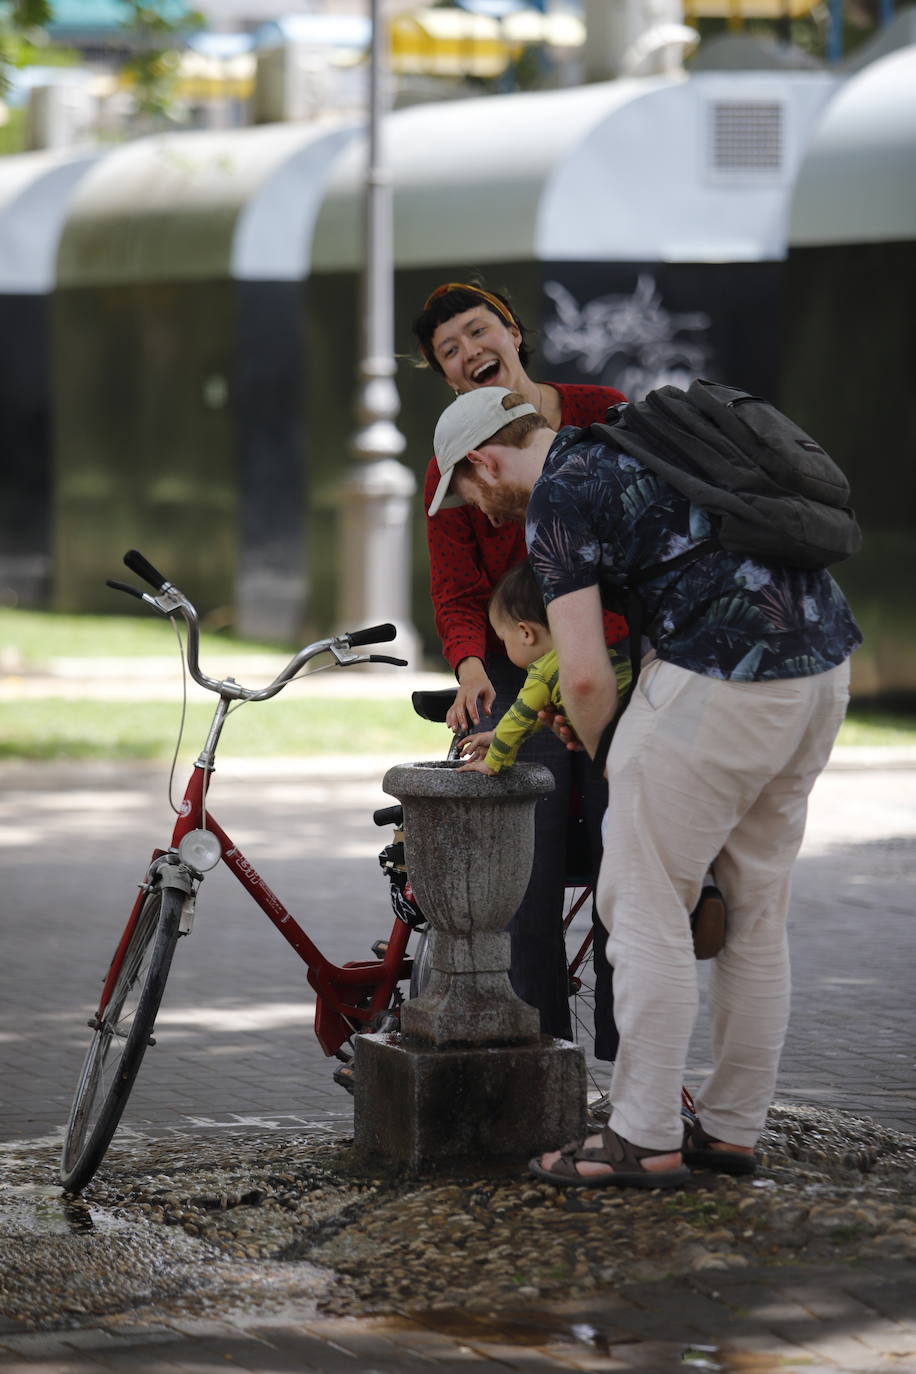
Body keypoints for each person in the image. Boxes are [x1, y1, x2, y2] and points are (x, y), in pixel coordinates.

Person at [429, 384, 862, 1189]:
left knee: (640, 903)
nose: (481, 515)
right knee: (757, 910)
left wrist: (609, 760)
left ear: (484, 460)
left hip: (720, 671)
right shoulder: (631, 447)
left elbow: (584, 678)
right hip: (823, 665)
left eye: (470, 495)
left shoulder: (556, 496)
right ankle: (730, 1132)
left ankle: (643, 1135)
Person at [414, 280, 627, 1052]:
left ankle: (624, 1049)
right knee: (525, 854)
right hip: (520, 666)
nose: (471, 351)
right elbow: (457, 588)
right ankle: (542, 1051)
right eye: (450, 350)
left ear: (513, 332)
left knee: (622, 844)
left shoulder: (600, 410)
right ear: (445, 377)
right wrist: (471, 665)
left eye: (479, 332)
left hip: (615, 653)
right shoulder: (453, 465)